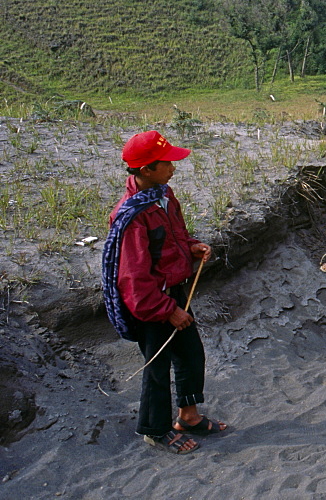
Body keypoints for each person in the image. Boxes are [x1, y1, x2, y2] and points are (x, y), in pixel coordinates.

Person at [102, 130, 227, 455]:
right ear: (145, 170)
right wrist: (165, 310)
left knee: (191, 354)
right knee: (156, 369)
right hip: (150, 305)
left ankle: (188, 417)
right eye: (167, 162)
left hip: (174, 294)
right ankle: (154, 430)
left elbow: (176, 236)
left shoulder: (164, 196)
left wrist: (191, 247)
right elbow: (133, 278)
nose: (173, 167)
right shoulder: (132, 217)